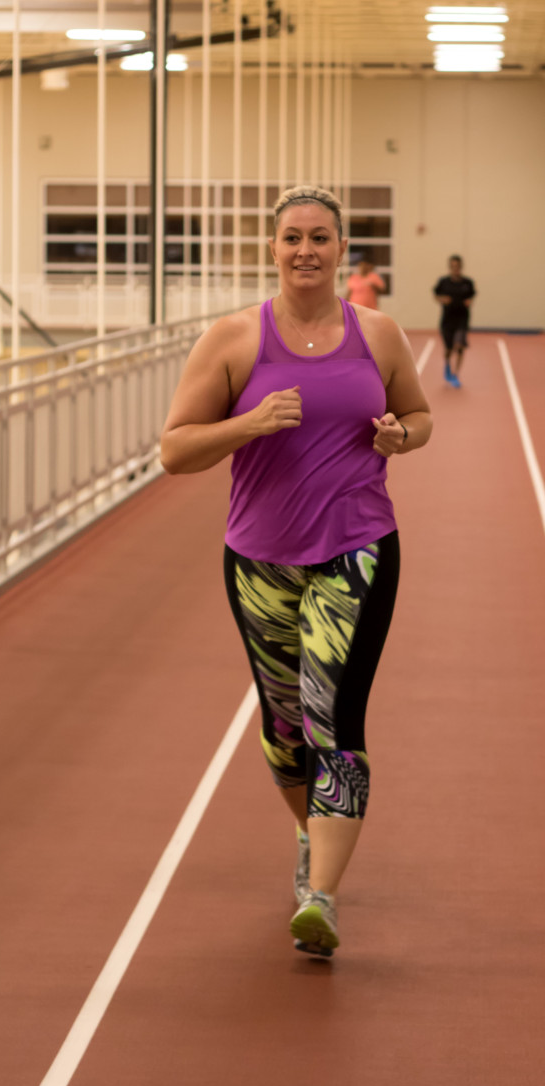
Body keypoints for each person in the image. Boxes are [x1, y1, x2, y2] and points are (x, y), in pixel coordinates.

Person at [160, 186, 432, 959]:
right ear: (273, 248)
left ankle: (322, 897)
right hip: (259, 559)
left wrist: (400, 437)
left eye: (319, 237)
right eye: (292, 238)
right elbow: (175, 450)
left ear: (342, 249)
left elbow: (419, 417)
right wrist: (248, 424)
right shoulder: (233, 339)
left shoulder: (377, 334)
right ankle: (312, 834)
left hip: (358, 548)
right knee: (284, 727)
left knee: (333, 715)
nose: (305, 250)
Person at [433, 255, 477, 387]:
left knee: (459, 346)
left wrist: (470, 301)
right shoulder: (443, 282)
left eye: (457, 266)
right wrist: (442, 299)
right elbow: (436, 294)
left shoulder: (467, 282)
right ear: (450, 267)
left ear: (461, 267)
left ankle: (455, 374)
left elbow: (472, 296)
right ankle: (447, 365)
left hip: (462, 319)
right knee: (448, 349)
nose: (455, 269)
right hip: (447, 320)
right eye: (453, 266)